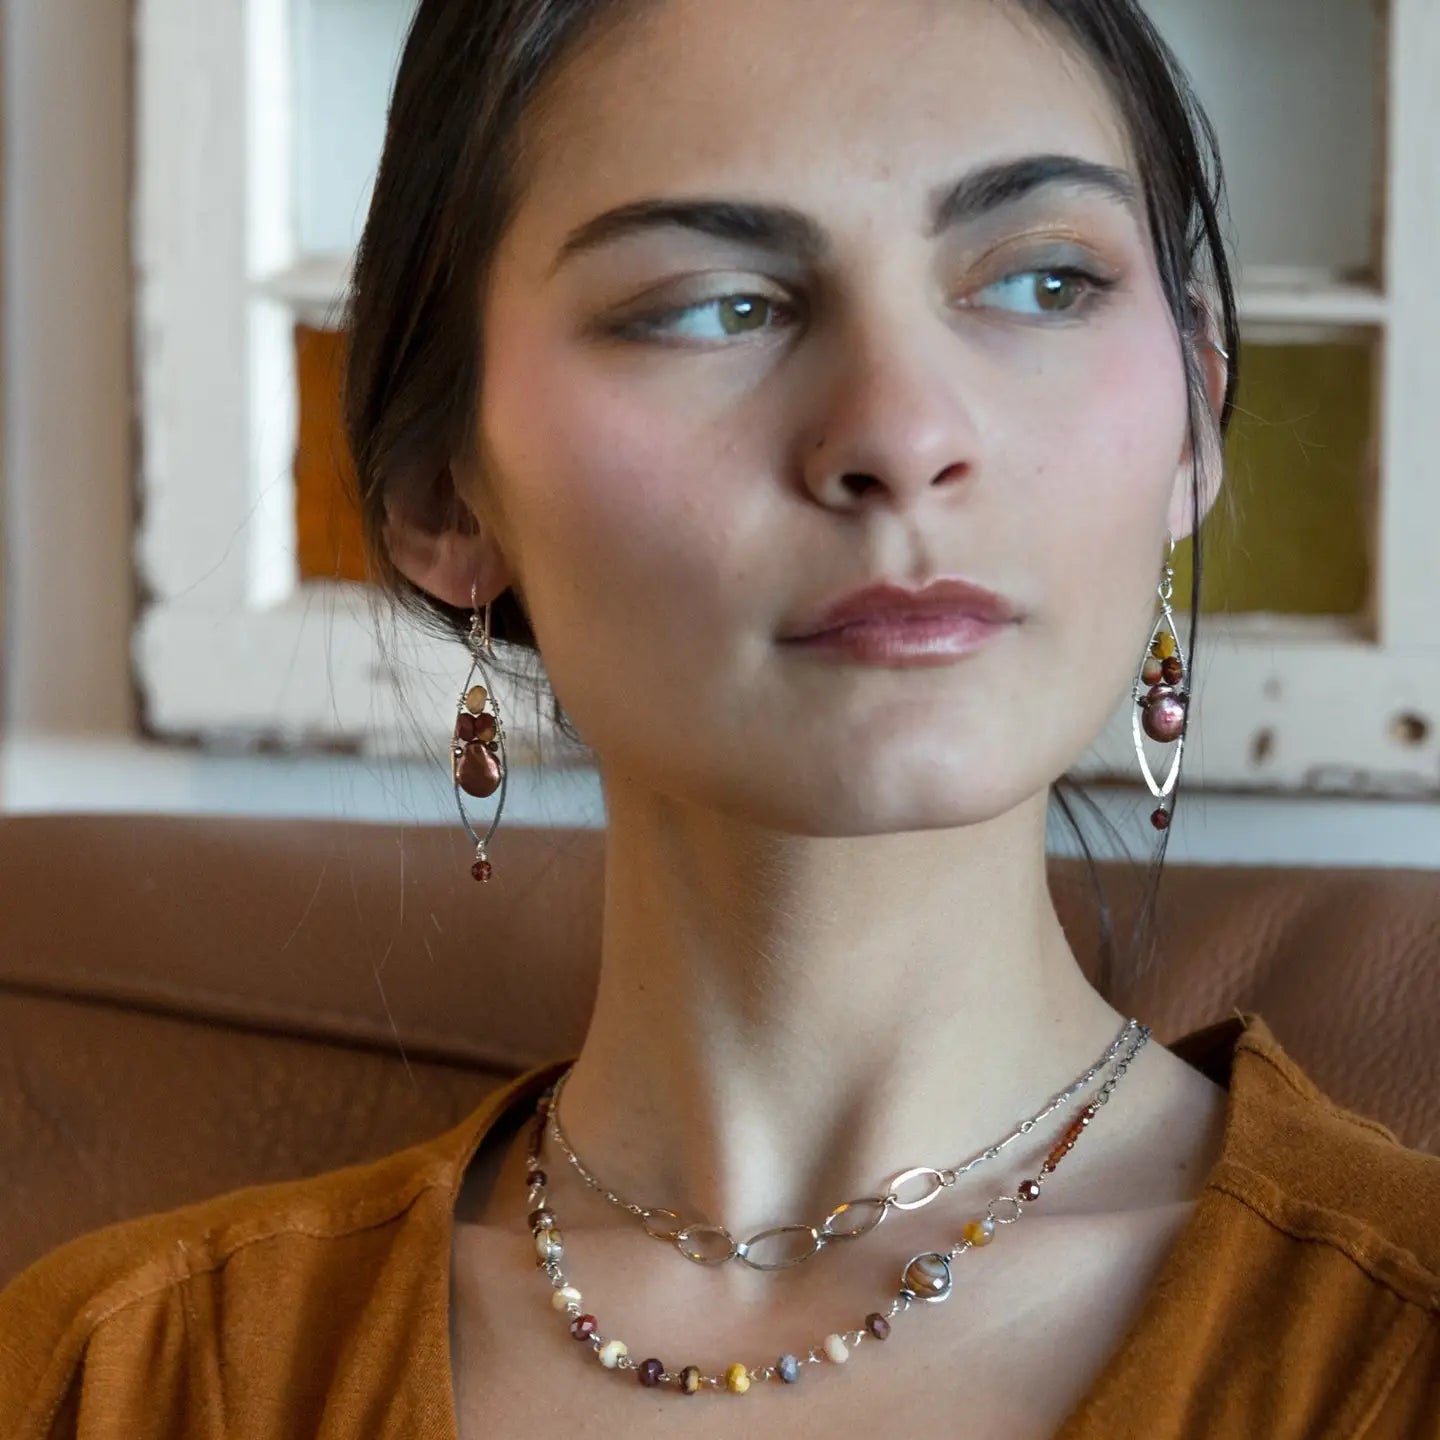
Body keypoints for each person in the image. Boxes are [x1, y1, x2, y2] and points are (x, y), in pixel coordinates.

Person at [3, 0, 1438, 1435]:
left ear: (1195, 408)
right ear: (444, 491)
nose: (902, 435)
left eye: (1045, 282)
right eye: (716, 305)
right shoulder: (121, 1375)